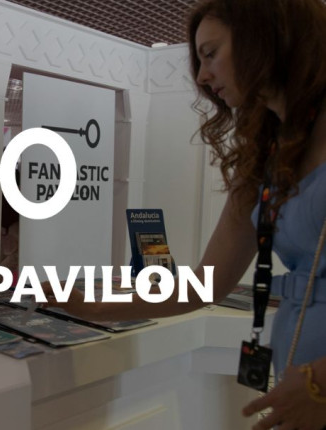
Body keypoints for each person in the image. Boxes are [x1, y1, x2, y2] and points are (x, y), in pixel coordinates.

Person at [44, 1, 326, 428]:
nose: (202, 76)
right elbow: (204, 284)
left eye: (210, 54)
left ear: (264, 39)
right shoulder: (265, 157)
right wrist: (95, 307)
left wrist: (319, 382)